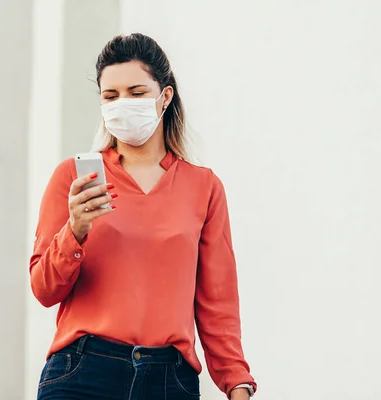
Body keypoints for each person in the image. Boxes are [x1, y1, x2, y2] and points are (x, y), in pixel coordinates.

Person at [30, 33, 256, 400]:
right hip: (83, 372)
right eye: (111, 96)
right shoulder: (73, 177)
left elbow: (218, 303)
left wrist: (237, 382)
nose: (123, 104)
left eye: (136, 93)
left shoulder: (204, 187)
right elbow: (43, 289)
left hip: (170, 380)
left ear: (165, 97)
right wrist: (75, 230)